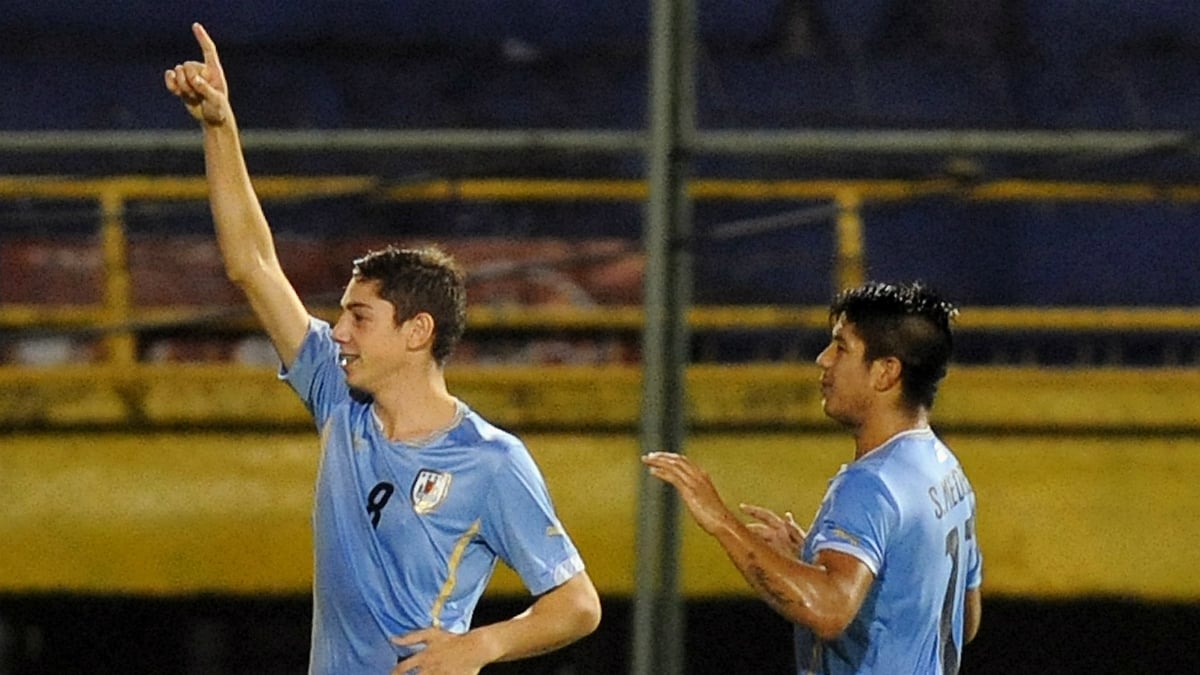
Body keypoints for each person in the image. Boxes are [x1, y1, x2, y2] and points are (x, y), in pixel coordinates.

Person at [164, 23, 601, 675]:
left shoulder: (491, 460)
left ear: (417, 331)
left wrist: (480, 645)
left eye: (359, 316)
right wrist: (219, 127)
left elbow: (577, 602)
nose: (337, 331)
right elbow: (252, 264)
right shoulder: (338, 396)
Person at [644, 281, 982, 674]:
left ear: (886, 372)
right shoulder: (945, 468)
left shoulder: (870, 484)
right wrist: (818, 557)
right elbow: (966, 619)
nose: (824, 360)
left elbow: (828, 610)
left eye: (841, 348)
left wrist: (721, 521)